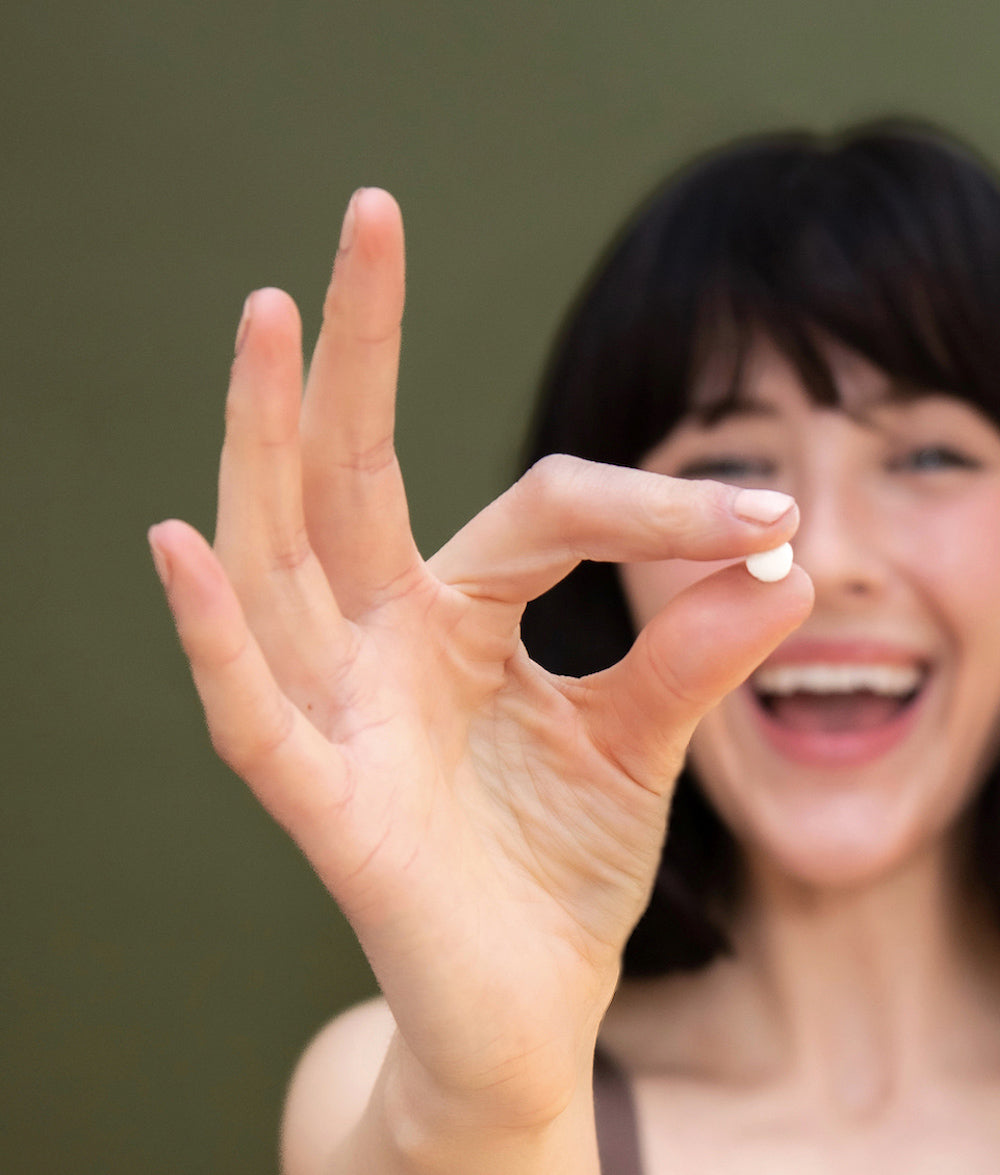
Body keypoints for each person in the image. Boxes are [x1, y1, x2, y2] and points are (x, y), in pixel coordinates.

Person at [149, 118, 1000, 1173]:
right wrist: (490, 1113)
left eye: (929, 455)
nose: (825, 551)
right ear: (610, 555)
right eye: (730, 454)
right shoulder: (400, 1092)